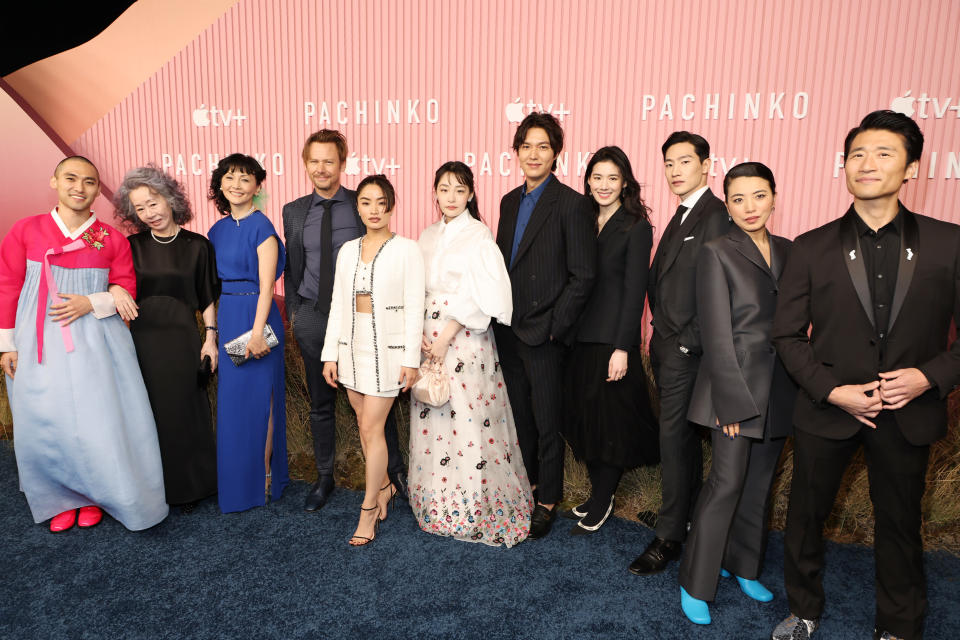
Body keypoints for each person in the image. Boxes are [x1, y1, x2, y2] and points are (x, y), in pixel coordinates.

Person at [771, 111, 960, 640]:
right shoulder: (810, 246)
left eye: (883, 153)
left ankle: (898, 623)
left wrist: (927, 376)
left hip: (909, 412)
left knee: (900, 525)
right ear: (844, 166)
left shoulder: (950, 243)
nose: (867, 164)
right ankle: (804, 609)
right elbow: (786, 336)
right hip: (826, 408)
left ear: (912, 167)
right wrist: (833, 391)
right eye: (857, 154)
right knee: (805, 517)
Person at [0, 156, 168, 532]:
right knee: (46, 416)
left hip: (96, 336)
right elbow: (7, 285)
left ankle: (93, 494)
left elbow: (126, 288)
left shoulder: (110, 238)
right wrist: (6, 344)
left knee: (97, 416)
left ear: (97, 190)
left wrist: (91, 301)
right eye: (71, 178)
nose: (80, 187)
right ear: (54, 180)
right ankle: (59, 496)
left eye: (89, 182)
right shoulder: (26, 230)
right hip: (38, 337)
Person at [677, 162, 795, 625]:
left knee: (759, 487)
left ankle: (742, 565)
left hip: (780, 389)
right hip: (734, 388)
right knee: (725, 485)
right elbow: (716, 333)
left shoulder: (789, 251)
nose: (749, 207)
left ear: (773, 196)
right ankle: (695, 582)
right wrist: (729, 401)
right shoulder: (715, 251)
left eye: (759, 195)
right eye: (739, 198)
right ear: (726, 203)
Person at [283, 130, 408, 513]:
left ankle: (395, 475)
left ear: (342, 163)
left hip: (360, 324)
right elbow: (293, 269)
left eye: (329, 161)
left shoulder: (361, 203)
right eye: (314, 161)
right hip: (313, 319)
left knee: (375, 402)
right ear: (305, 164)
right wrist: (295, 316)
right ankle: (324, 478)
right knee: (320, 404)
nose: (321, 168)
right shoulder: (293, 210)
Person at [410, 161, 532, 547]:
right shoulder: (426, 237)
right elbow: (415, 291)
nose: (450, 197)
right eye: (444, 189)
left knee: (468, 419)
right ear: (434, 192)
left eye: (459, 190)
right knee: (433, 415)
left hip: (463, 340)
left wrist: (445, 336)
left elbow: (484, 296)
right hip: (427, 341)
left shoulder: (479, 236)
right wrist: (419, 338)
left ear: (471, 195)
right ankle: (438, 503)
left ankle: (474, 506)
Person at [629, 131, 730, 575]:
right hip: (669, 348)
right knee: (680, 439)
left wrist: (690, 340)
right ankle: (680, 516)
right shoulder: (682, 214)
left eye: (684, 162)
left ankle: (669, 536)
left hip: (690, 351)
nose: (675, 170)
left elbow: (721, 287)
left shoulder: (717, 215)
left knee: (674, 438)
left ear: (707, 165)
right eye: (668, 163)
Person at [492, 112, 596, 539]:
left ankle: (548, 498)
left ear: (556, 154)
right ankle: (528, 484)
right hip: (508, 330)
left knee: (547, 419)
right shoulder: (508, 202)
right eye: (526, 146)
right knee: (520, 419)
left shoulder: (572, 204)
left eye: (543, 147)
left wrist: (555, 327)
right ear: (516, 152)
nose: (534, 155)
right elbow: (501, 265)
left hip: (545, 334)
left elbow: (583, 275)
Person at [321, 174, 424, 546]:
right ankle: (385, 486)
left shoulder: (407, 250)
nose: (374, 209)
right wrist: (330, 353)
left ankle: (368, 510)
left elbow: (415, 308)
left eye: (381, 202)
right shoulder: (347, 250)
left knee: (370, 428)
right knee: (365, 424)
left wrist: (411, 359)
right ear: (358, 207)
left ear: (391, 206)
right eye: (366, 202)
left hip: (389, 352)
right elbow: (336, 306)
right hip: (352, 349)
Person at [561, 146, 658, 535]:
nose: (604, 185)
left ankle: (603, 499)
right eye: (597, 177)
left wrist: (624, 347)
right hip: (579, 337)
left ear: (625, 183)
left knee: (611, 425)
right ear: (587, 181)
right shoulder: (581, 219)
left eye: (612, 178)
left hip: (612, 342)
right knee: (586, 422)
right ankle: (595, 494)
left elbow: (635, 292)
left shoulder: (636, 225)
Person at [112, 166, 220, 512]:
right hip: (141, 342)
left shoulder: (198, 245)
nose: (149, 213)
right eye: (139, 209)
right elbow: (116, 283)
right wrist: (115, 288)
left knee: (186, 411)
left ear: (170, 198)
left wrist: (210, 340)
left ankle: (195, 485)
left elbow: (206, 298)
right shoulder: (130, 246)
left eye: (153, 202)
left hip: (183, 340)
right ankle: (154, 487)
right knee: (148, 414)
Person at [207, 153, 288, 514]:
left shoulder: (262, 226)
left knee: (262, 401)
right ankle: (237, 479)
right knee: (233, 404)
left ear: (258, 186)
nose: (236, 185)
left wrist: (257, 335)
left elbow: (268, 286)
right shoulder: (216, 230)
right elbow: (209, 285)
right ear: (220, 184)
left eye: (245, 179)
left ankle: (264, 475)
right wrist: (210, 332)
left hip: (260, 320)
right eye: (230, 177)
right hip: (229, 316)